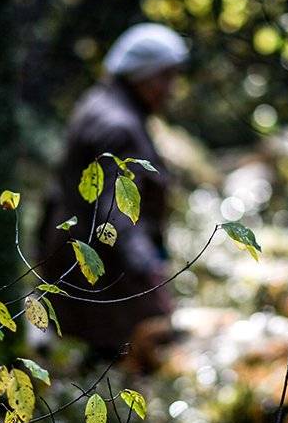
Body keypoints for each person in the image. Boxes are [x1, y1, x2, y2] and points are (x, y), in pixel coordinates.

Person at [37, 23, 188, 362]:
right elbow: (116, 211)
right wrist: (149, 271)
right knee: (128, 360)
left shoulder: (98, 103)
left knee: (101, 363)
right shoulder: (118, 126)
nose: (172, 89)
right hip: (105, 270)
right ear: (140, 75)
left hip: (81, 258)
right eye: (165, 77)